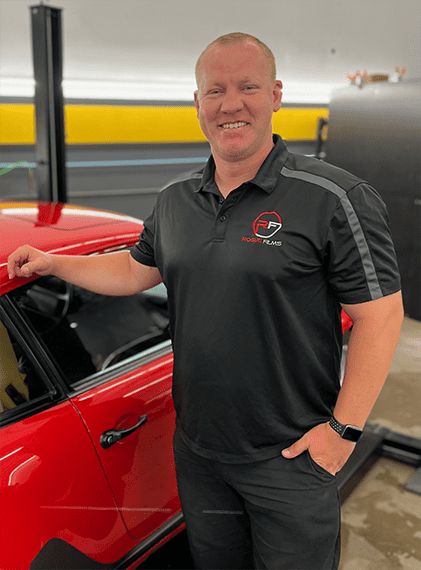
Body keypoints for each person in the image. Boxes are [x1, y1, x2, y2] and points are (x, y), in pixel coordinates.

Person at [8, 33, 403, 570]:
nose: (230, 103)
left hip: (290, 456)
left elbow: (379, 317)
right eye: (214, 90)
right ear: (197, 103)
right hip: (198, 453)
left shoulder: (335, 197)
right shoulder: (174, 201)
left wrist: (342, 432)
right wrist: (55, 265)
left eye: (247, 87)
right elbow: (133, 269)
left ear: (276, 95)